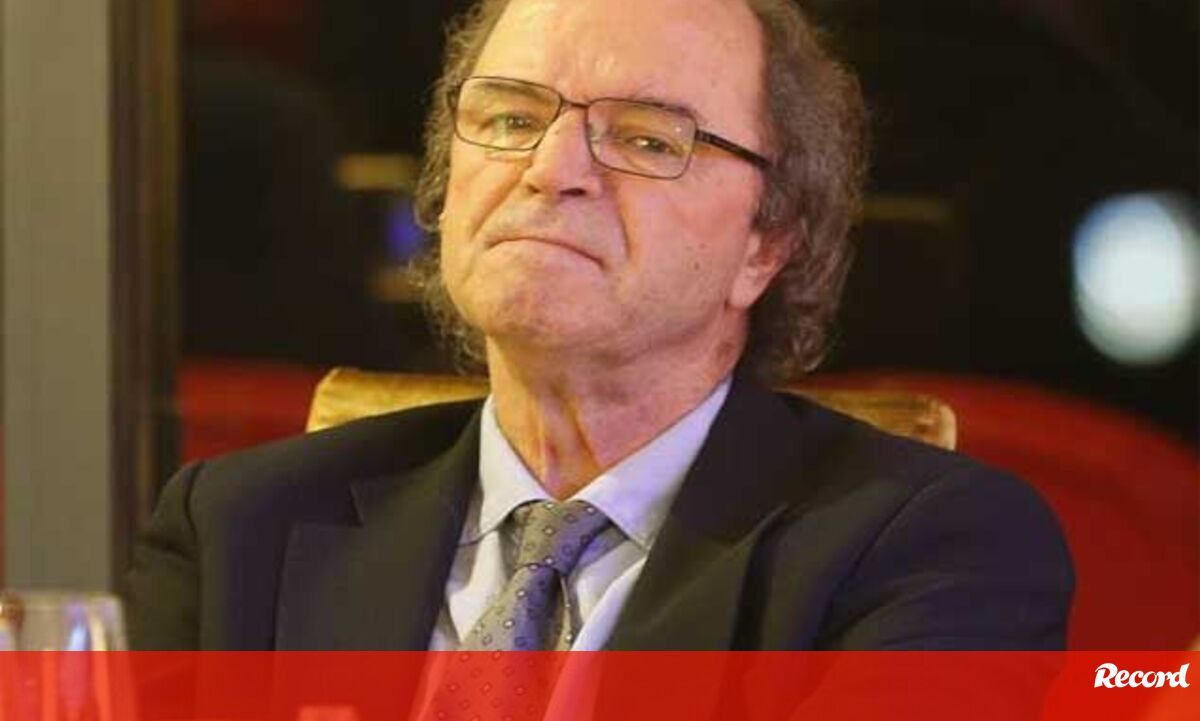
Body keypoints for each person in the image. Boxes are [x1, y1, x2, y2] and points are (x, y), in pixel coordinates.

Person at [127, 0, 1072, 656]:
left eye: (647, 138)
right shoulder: (237, 527)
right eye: (509, 118)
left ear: (767, 245)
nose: (550, 169)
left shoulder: (929, 551)